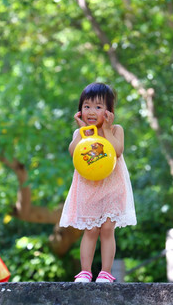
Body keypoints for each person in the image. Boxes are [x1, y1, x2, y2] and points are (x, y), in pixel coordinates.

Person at [60, 82, 137, 283]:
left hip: (112, 187)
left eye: (98, 107)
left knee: (107, 229)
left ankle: (105, 272)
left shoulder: (116, 130)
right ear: (80, 111)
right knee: (91, 229)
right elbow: (73, 153)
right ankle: (85, 272)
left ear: (109, 111)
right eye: (87, 107)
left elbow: (117, 151)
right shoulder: (80, 134)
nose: (91, 112)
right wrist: (84, 133)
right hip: (87, 188)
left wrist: (108, 130)